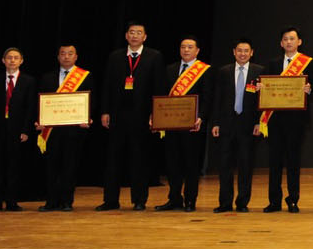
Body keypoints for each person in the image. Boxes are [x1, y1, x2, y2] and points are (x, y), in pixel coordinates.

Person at [98, 22, 164, 211]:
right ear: (126, 35)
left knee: (139, 159)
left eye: (139, 33)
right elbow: (107, 85)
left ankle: (139, 199)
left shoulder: (154, 56)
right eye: (132, 32)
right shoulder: (115, 56)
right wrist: (105, 111)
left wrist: (155, 114)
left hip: (142, 116)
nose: (135, 36)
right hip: (117, 115)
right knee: (113, 159)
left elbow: (159, 86)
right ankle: (110, 200)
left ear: (145, 37)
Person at [261, 26, 313, 213]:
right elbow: (267, 87)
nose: (289, 42)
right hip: (275, 119)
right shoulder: (273, 63)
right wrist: (262, 88)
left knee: (293, 161)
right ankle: (274, 201)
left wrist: (310, 89)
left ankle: (293, 200)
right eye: (285, 39)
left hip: (296, 120)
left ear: (299, 42)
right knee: (274, 162)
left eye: (292, 39)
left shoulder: (308, 63)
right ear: (281, 43)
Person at [154, 36, 210, 212]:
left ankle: (190, 200)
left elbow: (208, 97)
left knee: (191, 164)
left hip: (193, 125)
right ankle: (174, 198)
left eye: (190, 47)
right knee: (173, 163)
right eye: (183, 47)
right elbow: (162, 95)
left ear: (197, 50)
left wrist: (201, 117)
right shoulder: (170, 69)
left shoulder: (204, 70)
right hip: (171, 124)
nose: (186, 50)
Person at [0, 46, 36, 211]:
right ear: (3, 61)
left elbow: (30, 107)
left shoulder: (29, 81)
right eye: (9, 57)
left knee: (14, 166)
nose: (12, 60)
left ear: (21, 61)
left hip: (17, 130)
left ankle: (12, 202)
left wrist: (25, 130)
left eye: (16, 58)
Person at [36, 43, 91, 212]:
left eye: (70, 53)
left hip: (74, 128)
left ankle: (67, 201)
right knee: (51, 167)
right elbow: (40, 102)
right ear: (58, 57)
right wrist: (39, 120)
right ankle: (51, 202)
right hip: (52, 129)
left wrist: (88, 117)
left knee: (70, 166)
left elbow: (92, 99)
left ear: (76, 57)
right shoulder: (47, 77)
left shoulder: (85, 76)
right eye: (63, 53)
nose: (66, 56)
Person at [210, 38, 261, 213]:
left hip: (248, 125)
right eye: (239, 50)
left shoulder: (259, 71)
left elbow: (262, 100)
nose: (242, 54)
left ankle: (242, 202)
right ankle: (225, 202)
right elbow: (217, 98)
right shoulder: (224, 71)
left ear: (252, 53)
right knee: (224, 165)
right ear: (234, 52)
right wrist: (215, 122)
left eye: (246, 51)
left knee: (246, 165)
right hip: (226, 124)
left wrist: (259, 122)